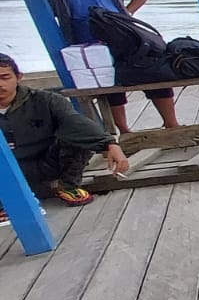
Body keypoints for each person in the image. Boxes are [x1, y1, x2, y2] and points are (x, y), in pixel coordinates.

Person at [37, 0, 180, 134]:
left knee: (152, 70)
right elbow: (46, 9)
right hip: (84, 37)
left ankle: (171, 123)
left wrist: (126, 14)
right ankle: (122, 129)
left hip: (122, 33)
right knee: (107, 80)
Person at [0, 53, 130, 221]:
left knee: (74, 136)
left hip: (47, 161)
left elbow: (75, 122)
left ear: (18, 77)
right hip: (6, 170)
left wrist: (110, 144)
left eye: (4, 77)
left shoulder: (47, 100)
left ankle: (66, 185)